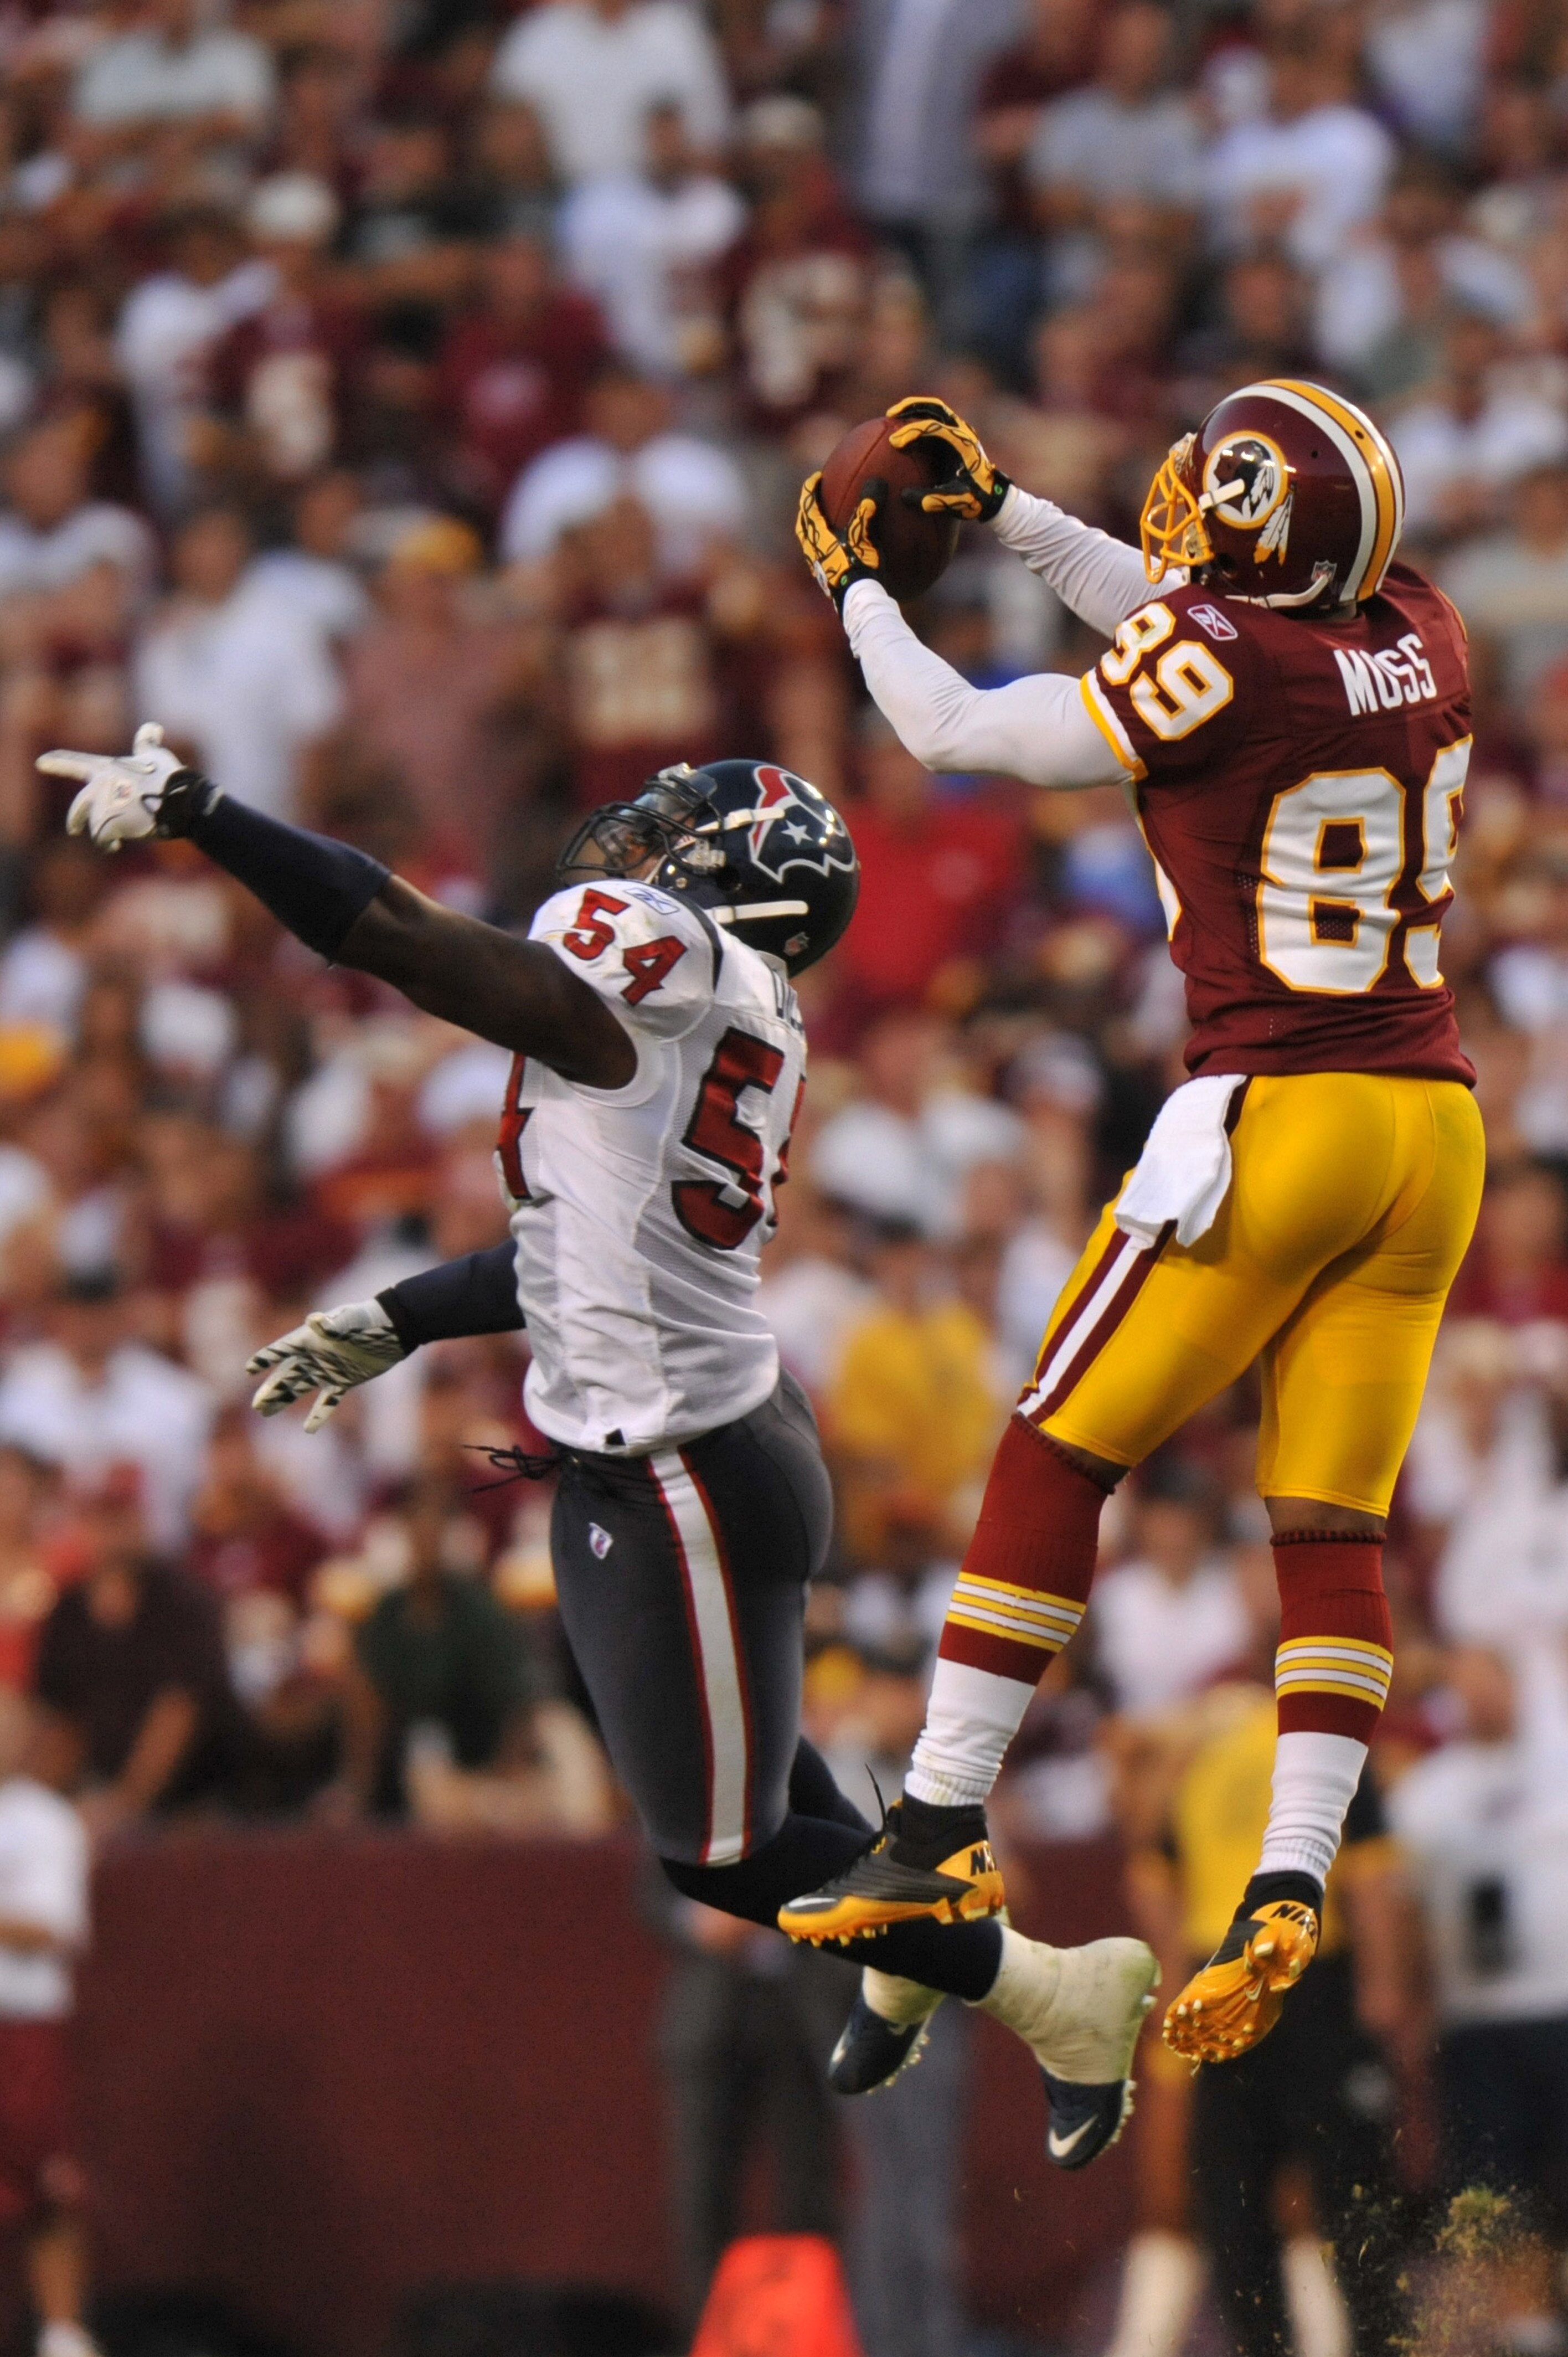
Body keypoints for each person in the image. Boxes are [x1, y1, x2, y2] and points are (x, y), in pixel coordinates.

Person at [42, 736, 1159, 2168]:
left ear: (719, 890)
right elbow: (581, 1243)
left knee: (724, 1854)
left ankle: (1048, 1989)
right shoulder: (751, 1009)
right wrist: (397, 1316)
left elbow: (402, 941)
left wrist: (214, 818)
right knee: (763, 1767)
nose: (638, 849)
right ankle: (912, 1935)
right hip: (726, 1436)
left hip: (676, 1468)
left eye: (679, 837)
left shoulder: (661, 964)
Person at [786, 383, 1484, 2086]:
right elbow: (1193, 628)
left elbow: (958, 733)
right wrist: (1017, 511)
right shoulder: (1417, 622)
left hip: (1280, 1113)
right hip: (1428, 1127)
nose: (1171, 506)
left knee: (1052, 1446)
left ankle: (937, 1815)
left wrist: (857, 593)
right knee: (1326, 1522)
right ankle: (1290, 1871)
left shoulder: (1231, 659)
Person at [0, 1690, 99, 2357]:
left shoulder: (43, 1822)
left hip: (20, 2022)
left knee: (45, 2182)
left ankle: (62, 2332)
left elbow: (53, 1927)